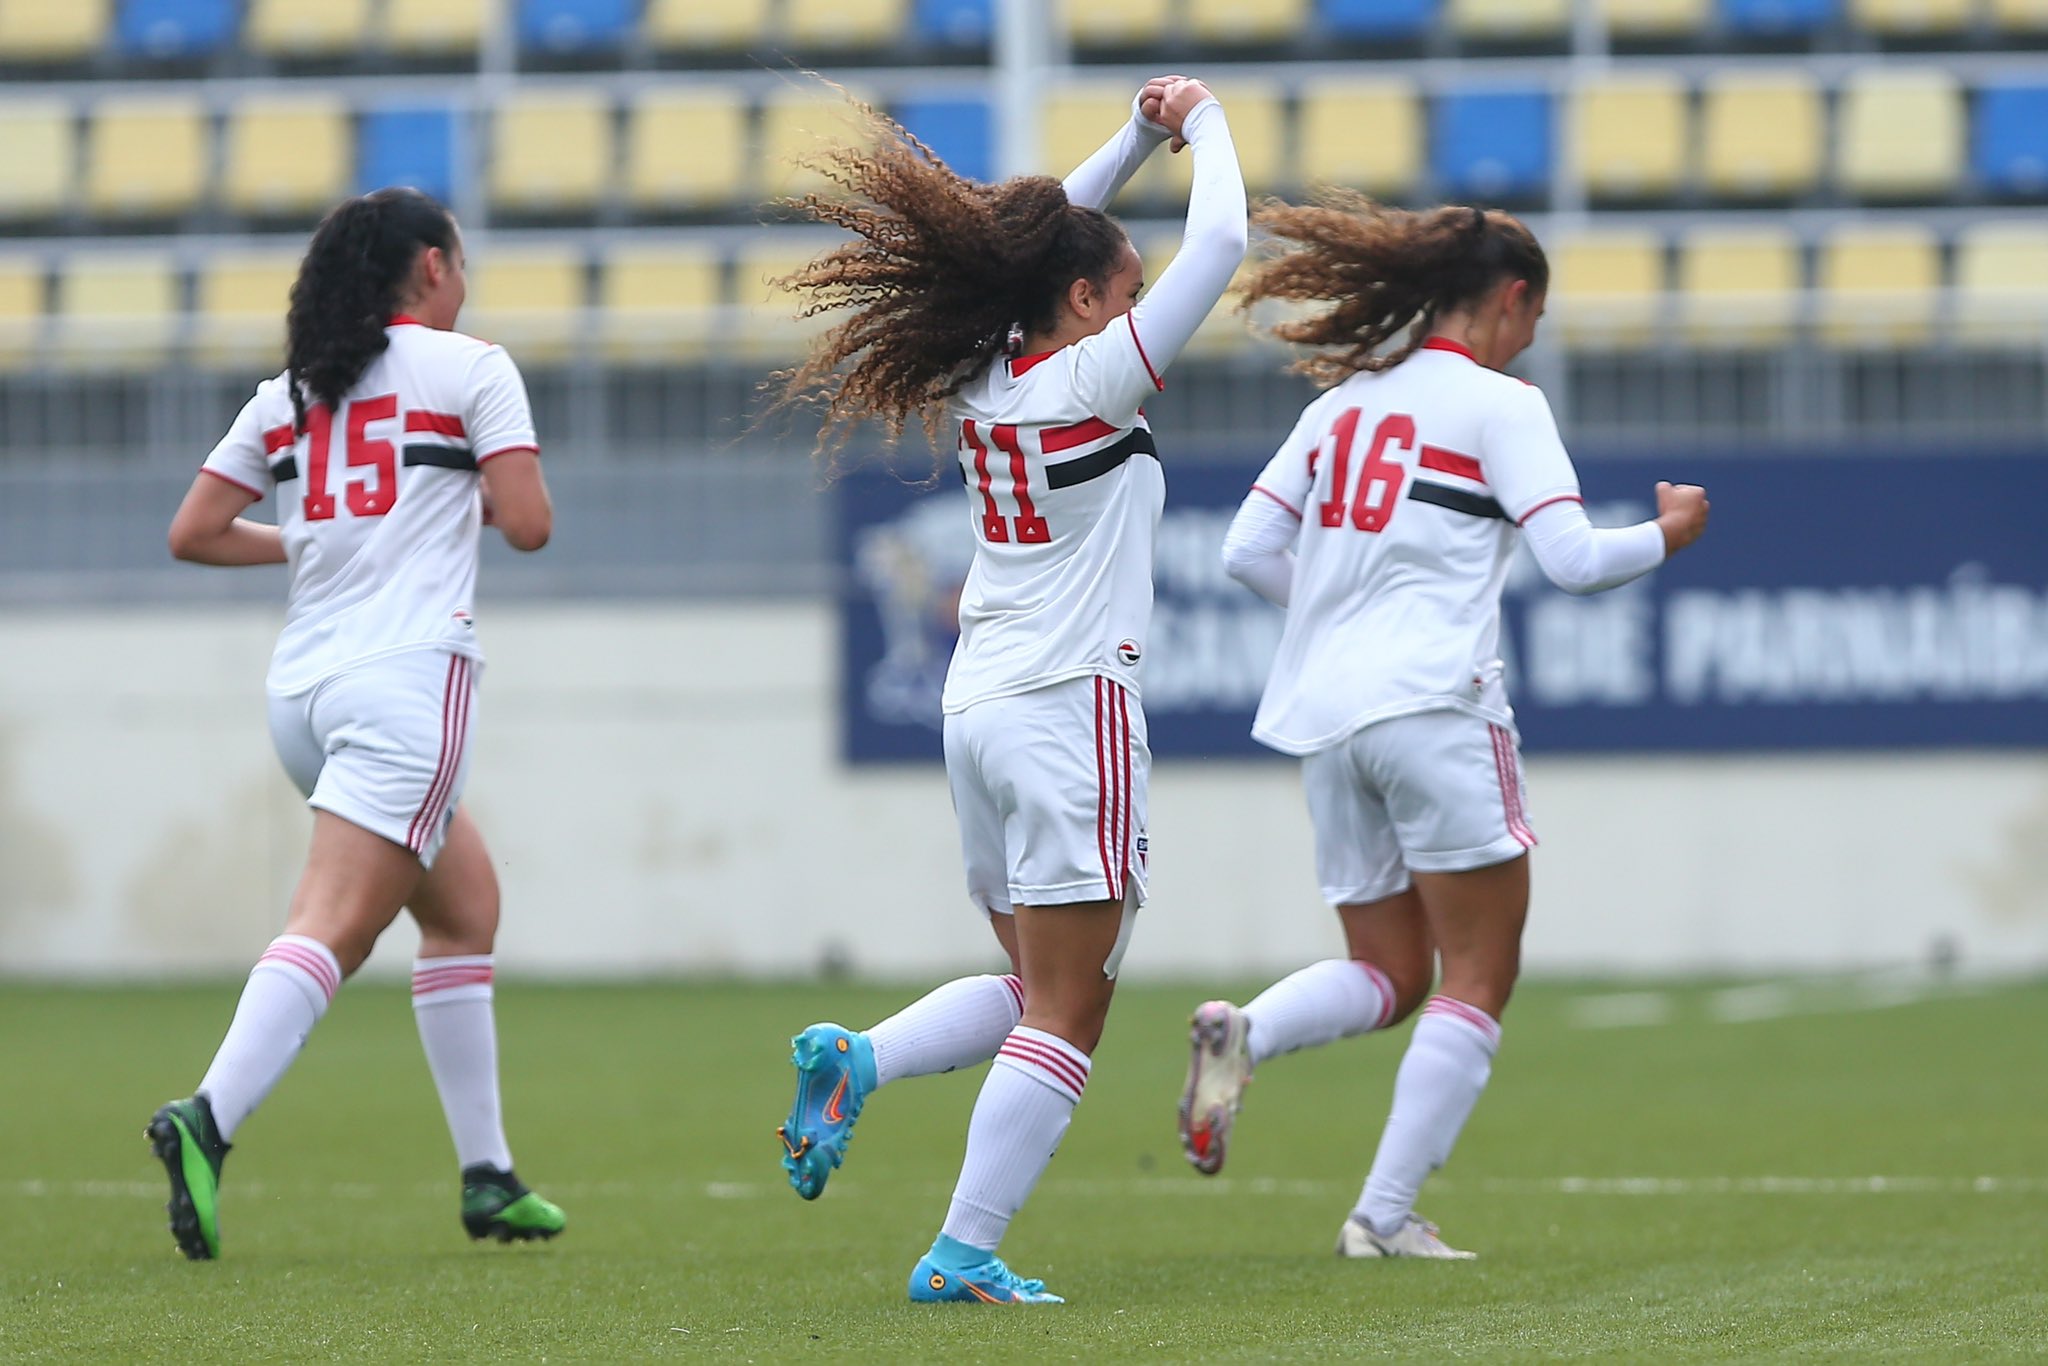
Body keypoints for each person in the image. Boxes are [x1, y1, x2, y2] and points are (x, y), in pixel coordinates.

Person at [764, 77, 1248, 1303]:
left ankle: (856, 1059)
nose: (1139, 306)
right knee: (1072, 1008)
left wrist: (1135, 141)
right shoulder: (1090, 383)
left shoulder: (992, 365)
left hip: (976, 708)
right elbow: (1229, 241)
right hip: (1067, 706)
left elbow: (1024, 251)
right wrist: (1201, 123)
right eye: (1123, 291)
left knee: (1037, 985)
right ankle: (961, 1248)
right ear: (1080, 302)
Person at [1179, 196, 1710, 1258]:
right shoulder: (1500, 405)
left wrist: (1337, 618)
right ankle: (1378, 1214)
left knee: (1388, 970)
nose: (1530, 341)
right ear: (1510, 298)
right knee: (1475, 973)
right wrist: (1666, 532)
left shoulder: (1342, 401)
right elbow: (1570, 560)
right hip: (1432, 703)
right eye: (1533, 319)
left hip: (1326, 716)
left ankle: (1249, 1032)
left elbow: (1243, 550)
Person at [146, 187, 565, 1260]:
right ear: (431, 266)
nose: (463, 284)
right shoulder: (471, 368)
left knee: (465, 907)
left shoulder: (288, 391)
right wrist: (443, 502)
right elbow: (528, 524)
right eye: (459, 264)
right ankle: (210, 1116)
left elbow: (192, 532)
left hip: (303, 695)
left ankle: (488, 1176)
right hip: (405, 683)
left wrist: (318, 538)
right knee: (332, 921)